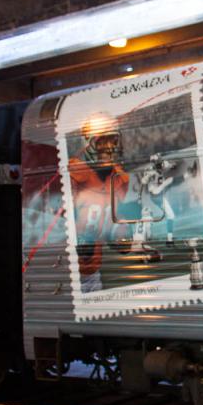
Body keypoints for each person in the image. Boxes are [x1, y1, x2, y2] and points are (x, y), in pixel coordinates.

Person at [69, 112, 130, 293]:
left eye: (113, 141)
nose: (109, 148)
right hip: (67, 272)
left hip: (92, 272)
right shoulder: (73, 174)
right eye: (102, 142)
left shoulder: (120, 179)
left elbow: (111, 220)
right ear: (87, 144)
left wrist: (119, 235)